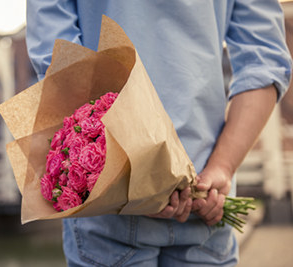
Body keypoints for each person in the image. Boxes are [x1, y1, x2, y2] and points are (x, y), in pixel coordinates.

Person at [26, 1, 292, 266]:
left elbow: (57, 53)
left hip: (109, 208)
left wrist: (136, 181)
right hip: (205, 189)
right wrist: (223, 166)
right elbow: (265, 60)